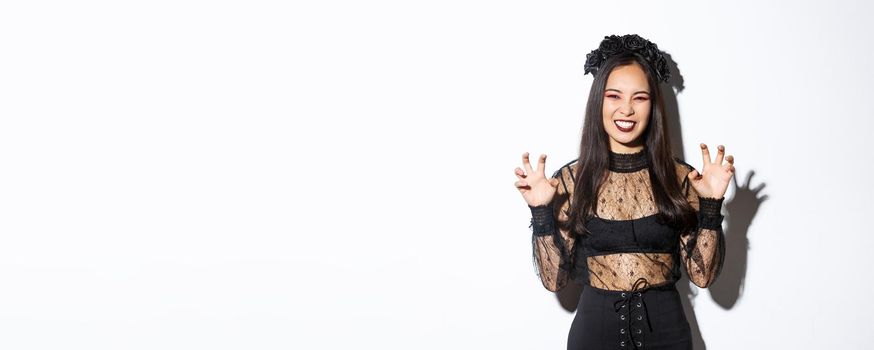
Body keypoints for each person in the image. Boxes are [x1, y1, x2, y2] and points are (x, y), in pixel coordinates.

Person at [513, 34, 735, 350]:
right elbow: (554, 281)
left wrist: (711, 205)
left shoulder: (682, 178)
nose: (626, 110)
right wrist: (541, 214)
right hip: (594, 336)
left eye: (639, 98)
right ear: (598, 102)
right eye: (614, 96)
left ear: (653, 105)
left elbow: (703, 277)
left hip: (668, 337)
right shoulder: (571, 181)